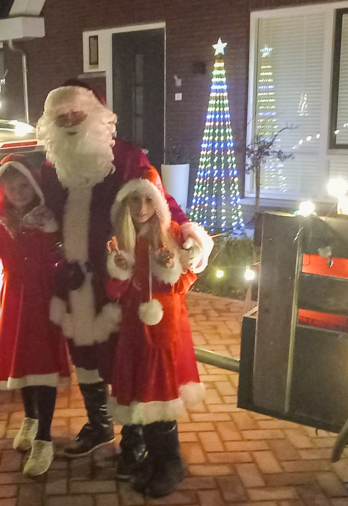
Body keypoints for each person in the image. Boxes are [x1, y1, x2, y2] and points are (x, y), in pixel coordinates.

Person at [36, 81, 213, 477]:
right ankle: (99, 425)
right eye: (59, 117)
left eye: (75, 114)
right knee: (84, 354)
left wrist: (187, 236)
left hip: (119, 276)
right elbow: (45, 211)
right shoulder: (51, 166)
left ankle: (135, 437)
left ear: (95, 115)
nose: (68, 122)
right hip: (74, 278)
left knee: (123, 359)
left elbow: (159, 201)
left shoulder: (128, 157)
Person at [0, 155, 71, 477]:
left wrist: (51, 231)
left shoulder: (47, 220)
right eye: (13, 188)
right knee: (23, 363)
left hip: (43, 300)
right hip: (14, 300)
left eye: (25, 185)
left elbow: (57, 257)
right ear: (3, 192)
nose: (20, 192)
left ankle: (44, 438)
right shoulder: (2, 226)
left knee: (44, 366)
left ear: (34, 185)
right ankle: (30, 417)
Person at [105, 174, 204, 497]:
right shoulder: (122, 237)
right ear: (125, 203)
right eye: (135, 199)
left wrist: (169, 266)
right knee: (141, 394)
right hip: (134, 328)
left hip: (163, 328)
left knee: (159, 394)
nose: (142, 207)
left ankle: (171, 463)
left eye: (148, 199)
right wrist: (119, 268)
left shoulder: (172, 234)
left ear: (159, 202)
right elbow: (114, 290)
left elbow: (182, 284)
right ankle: (154, 457)